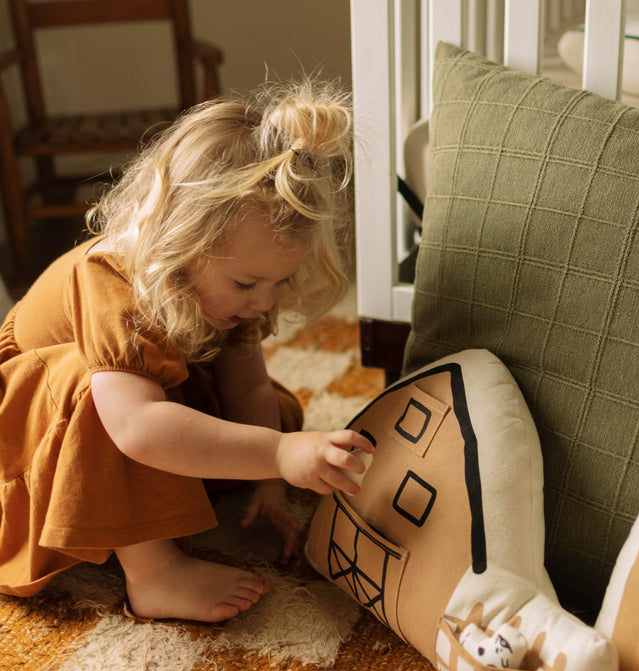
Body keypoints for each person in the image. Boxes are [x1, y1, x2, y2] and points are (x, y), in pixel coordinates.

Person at [0, 80, 374, 624]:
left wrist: (270, 480)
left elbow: (247, 386)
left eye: (279, 282)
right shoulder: (111, 278)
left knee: (280, 415)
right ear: (180, 242)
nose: (264, 302)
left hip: (143, 400)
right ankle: (154, 574)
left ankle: (158, 497)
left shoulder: (235, 297)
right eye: (248, 284)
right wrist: (274, 453)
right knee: (107, 396)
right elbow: (135, 426)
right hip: (33, 433)